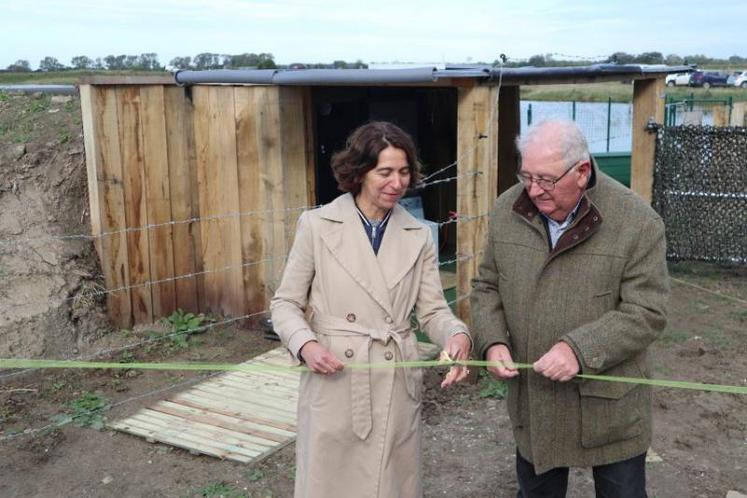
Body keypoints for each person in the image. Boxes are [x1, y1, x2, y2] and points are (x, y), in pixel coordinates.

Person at [271, 121, 472, 498]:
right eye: (385, 172)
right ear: (360, 172)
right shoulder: (316, 225)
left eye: (404, 171)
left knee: (389, 485)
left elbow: (432, 312)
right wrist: (306, 345)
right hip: (335, 376)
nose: (396, 182)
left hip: (394, 381)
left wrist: (457, 334)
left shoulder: (418, 235)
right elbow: (285, 304)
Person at [471, 119, 669, 498]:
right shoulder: (506, 209)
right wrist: (493, 341)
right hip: (536, 402)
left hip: (610, 408)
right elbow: (486, 287)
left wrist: (578, 349)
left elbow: (647, 311)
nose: (532, 190)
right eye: (526, 175)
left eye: (545, 179)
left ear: (582, 171)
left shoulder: (637, 222)